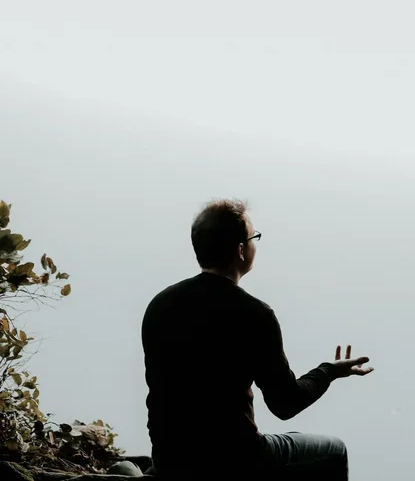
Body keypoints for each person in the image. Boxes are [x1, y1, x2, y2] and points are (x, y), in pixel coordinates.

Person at [141, 199, 374, 479]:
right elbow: (285, 404)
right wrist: (330, 371)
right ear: (241, 250)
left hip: (170, 460)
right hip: (236, 460)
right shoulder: (253, 313)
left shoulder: (160, 304)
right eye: (254, 237)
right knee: (334, 450)